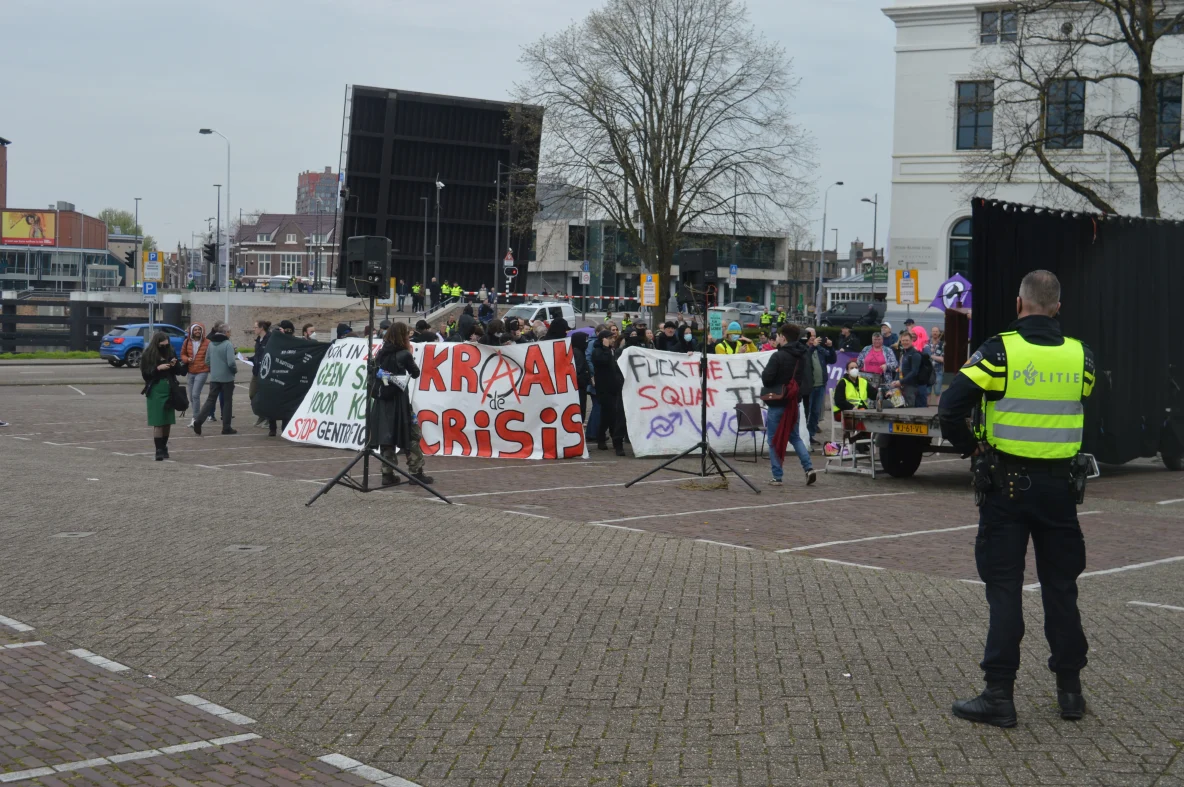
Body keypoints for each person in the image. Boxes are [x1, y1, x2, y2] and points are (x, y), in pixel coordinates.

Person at [940, 270, 1096, 728]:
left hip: (1006, 487)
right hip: (1061, 490)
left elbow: (950, 407)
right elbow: (1082, 399)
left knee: (1005, 589)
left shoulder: (998, 352)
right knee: (1061, 589)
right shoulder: (1081, 356)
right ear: (1058, 307)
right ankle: (1070, 692)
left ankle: (998, 696)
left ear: (1018, 304)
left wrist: (971, 447)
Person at [370, 322, 433, 487]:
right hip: (399, 401)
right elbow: (415, 373)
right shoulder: (404, 354)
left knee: (387, 436)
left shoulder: (381, 353)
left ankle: (387, 473)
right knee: (411, 434)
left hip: (383, 401)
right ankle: (416, 472)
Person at [761, 323, 816, 486]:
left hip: (777, 402)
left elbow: (767, 378)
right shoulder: (802, 355)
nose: (777, 338)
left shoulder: (778, 356)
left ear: (783, 338)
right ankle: (809, 468)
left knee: (773, 439)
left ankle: (777, 476)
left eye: (778, 335)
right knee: (795, 437)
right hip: (793, 403)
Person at [141, 331, 184, 460]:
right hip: (156, 389)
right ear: (157, 343)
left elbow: (179, 371)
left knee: (167, 421)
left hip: (169, 388)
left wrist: (174, 365)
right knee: (158, 421)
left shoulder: (171, 351)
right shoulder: (148, 354)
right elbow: (146, 375)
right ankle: (158, 450)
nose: (165, 347)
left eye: (167, 344)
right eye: (162, 345)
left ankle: (164, 447)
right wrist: (158, 368)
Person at [192, 322, 237, 436]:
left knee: (210, 400)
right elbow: (231, 362)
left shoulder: (211, 344)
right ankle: (226, 427)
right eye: (229, 332)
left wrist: (214, 368)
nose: (230, 334)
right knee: (227, 402)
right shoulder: (228, 344)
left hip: (214, 377)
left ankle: (198, 421)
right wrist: (234, 370)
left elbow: (207, 361)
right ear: (226, 333)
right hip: (227, 378)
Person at [590, 329, 627, 456]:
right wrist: (605, 348)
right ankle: (601, 437)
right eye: (610, 338)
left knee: (613, 413)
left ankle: (611, 436)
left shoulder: (613, 351)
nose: (612, 340)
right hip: (604, 387)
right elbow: (602, 361)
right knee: (607, 414)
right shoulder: (598, 351)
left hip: (614, 386)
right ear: (603, 339)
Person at [804, 327, 836, 446]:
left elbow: (832, 359)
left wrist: (830, 347)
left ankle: (810, 435)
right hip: (808, 387)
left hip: (821, 385)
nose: (813, 338)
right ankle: (804, 436)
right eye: (810, 335)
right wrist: (813, 347)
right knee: (806, 412)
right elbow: (805, 358)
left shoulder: (820, 349)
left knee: (815, 412)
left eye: (814, 335)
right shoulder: (804, 348)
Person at [180, 323, 210, 427]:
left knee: (195, 394)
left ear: (202, 331)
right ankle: (196, 416)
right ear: (192, 331)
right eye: (195, 330)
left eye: (199, 329)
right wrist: (186, 359)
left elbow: (210, 356)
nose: (197, 331)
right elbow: (182, 354)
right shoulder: (187, 341)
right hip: (190, 371)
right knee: (191, 396)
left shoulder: (207, 342)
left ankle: (196, 419)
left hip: (202, 371)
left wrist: (207, 365)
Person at [248, 320, 272, 428]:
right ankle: (261, 415)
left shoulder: (270, 339)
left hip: (266, 372)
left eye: (255, 327)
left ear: (261, 328)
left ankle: (268, 418)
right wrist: (248, 359)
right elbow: (257, 355)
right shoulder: (258, 340)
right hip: (256, 371)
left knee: (266, 396)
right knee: (252, 394)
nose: (254, 329)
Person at [892, 330, 922, 407]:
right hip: (901, 386)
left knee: (909, 409)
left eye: (907, 340)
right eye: (903, 340)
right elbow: (899, 369)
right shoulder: (903, 353)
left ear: (912, 341)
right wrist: (895, 381)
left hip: (911, 387)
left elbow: (914, 372)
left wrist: (901, 381)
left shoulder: (915, 354)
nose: (905, 342)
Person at [570, 331, 593, 420]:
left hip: (580, 386)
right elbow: (578, 370)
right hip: (579, 386)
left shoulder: (578, 351)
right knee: (581, 405)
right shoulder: (578, 353)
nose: (586, 342)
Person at [927, 327, 946, 402]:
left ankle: (939, 408)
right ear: (931, 332)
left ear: (939, 333)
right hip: (928, 371)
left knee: (937, 392)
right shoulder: (927, 344)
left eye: (936, 331)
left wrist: (930, 355)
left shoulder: (942, 344)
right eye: (933, 331)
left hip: (938, 371)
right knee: (927, 392)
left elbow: (942, 359)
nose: (935, 333)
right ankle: (925, 408)